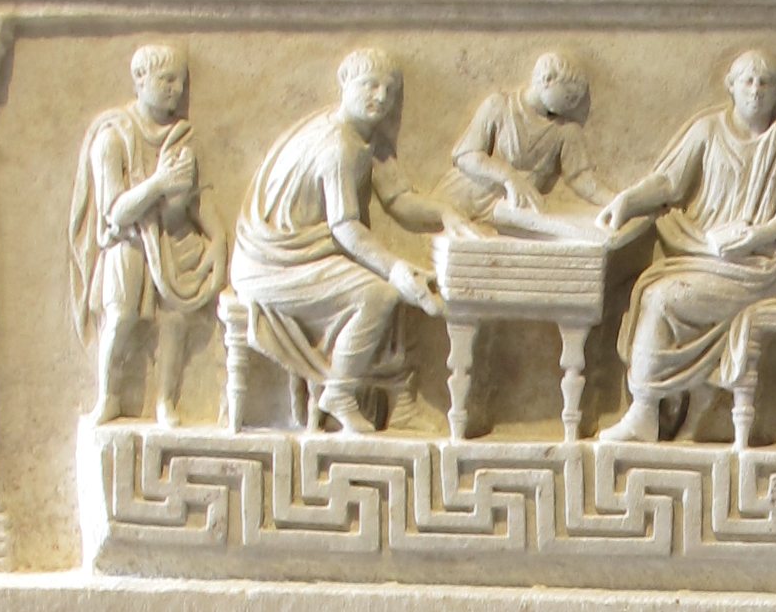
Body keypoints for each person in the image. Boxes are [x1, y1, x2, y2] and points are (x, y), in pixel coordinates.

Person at [597, 52, 776, 444]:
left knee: (662, 298)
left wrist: (759, 234)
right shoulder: (708, 130)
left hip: (758, 265)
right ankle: (663, 404)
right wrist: (628, 201)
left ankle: (646, 409)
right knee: (648, 289)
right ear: (730, 86)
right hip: (704, 250)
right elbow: (669, 182)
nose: (755, 90)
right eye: (747, 81)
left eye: (765, 83)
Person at [229, 49, 444, 435]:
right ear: (345, 84)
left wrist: (449, 217)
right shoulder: (338, 146)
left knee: (392, 284)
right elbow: (344, 227)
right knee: (379, 295)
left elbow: (398, 200)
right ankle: (340, 392)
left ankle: (400, 404)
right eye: (370, 85)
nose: (381, 97)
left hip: (303, 255)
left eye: (389, 90)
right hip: (275, 263)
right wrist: (395, 269)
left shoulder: (364, 137)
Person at [69, 43, 223, 424]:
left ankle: (165, 401)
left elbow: (192, 201)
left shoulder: (180, 138)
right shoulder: (112, 138)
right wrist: (158, 184)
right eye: (167, 80)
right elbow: (116, 211)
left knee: (174, 319)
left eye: (180, 82)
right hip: (128, 240)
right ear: (140, 79)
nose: (176, 90)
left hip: (170, 237)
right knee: (120, 317)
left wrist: (217, 238)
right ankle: (109, 397)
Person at [444, 55, 603, 234]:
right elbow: (465, 156)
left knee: (583, 230)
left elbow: (581, 178)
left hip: (511, 208)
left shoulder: (565, 132)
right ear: (548, 79)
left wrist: (617, 201)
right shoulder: (500, 106)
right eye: (569, 95)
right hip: (468, 196)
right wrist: (509, 177)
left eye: (576, 99)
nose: (573, 104)